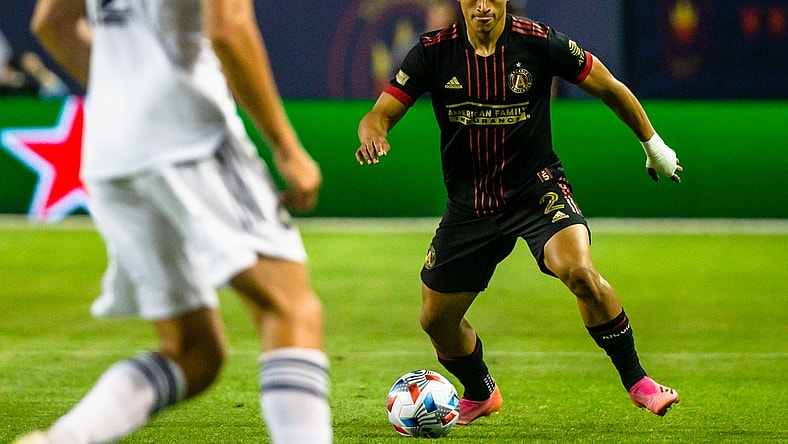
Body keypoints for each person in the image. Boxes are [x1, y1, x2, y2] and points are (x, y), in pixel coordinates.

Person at [16, 0, 331, 443]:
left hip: (109, 148)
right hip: (189, 135)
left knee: (193, 353)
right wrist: (286, 145)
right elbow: (228, 27)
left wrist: (124, 95)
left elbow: (50, 22)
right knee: (290, 309)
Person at [356, 0, 681, 426]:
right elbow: (378, 115)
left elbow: (608, 85)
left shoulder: (539, 42)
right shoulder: (434, 51)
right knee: (436, 320)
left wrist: (654, 147)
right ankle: (480, 392)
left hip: (536, 191)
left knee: (579, 271)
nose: (484, 6)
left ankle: (639, 382)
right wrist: (373, 134)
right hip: (471, 205)